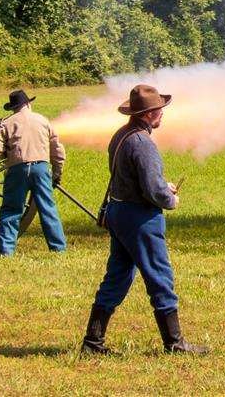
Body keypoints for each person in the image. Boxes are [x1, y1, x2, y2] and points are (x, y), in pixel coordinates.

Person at [80, 84, 208, 355]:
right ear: (149, 113)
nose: (163, 113)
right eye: (159, 109)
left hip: (120, 212)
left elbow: (134, 178)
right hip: (139, 218)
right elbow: (152, 189)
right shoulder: (142, 143)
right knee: (160, 276)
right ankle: (174, 343)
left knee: (116, 278)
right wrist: (170, 198)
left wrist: (162, 184)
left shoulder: (122, 135)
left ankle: (92, 343)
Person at [0, 89, 67, 256]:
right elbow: (58, 151)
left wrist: (7, 154)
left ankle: (6, 250)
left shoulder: (6, 123)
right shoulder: (43, 120)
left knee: (11, 209)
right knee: (48, 208)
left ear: (13, 108)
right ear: (28, 103)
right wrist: (57, 172)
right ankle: (58, 248)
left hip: (17, 169)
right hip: (41, 168)